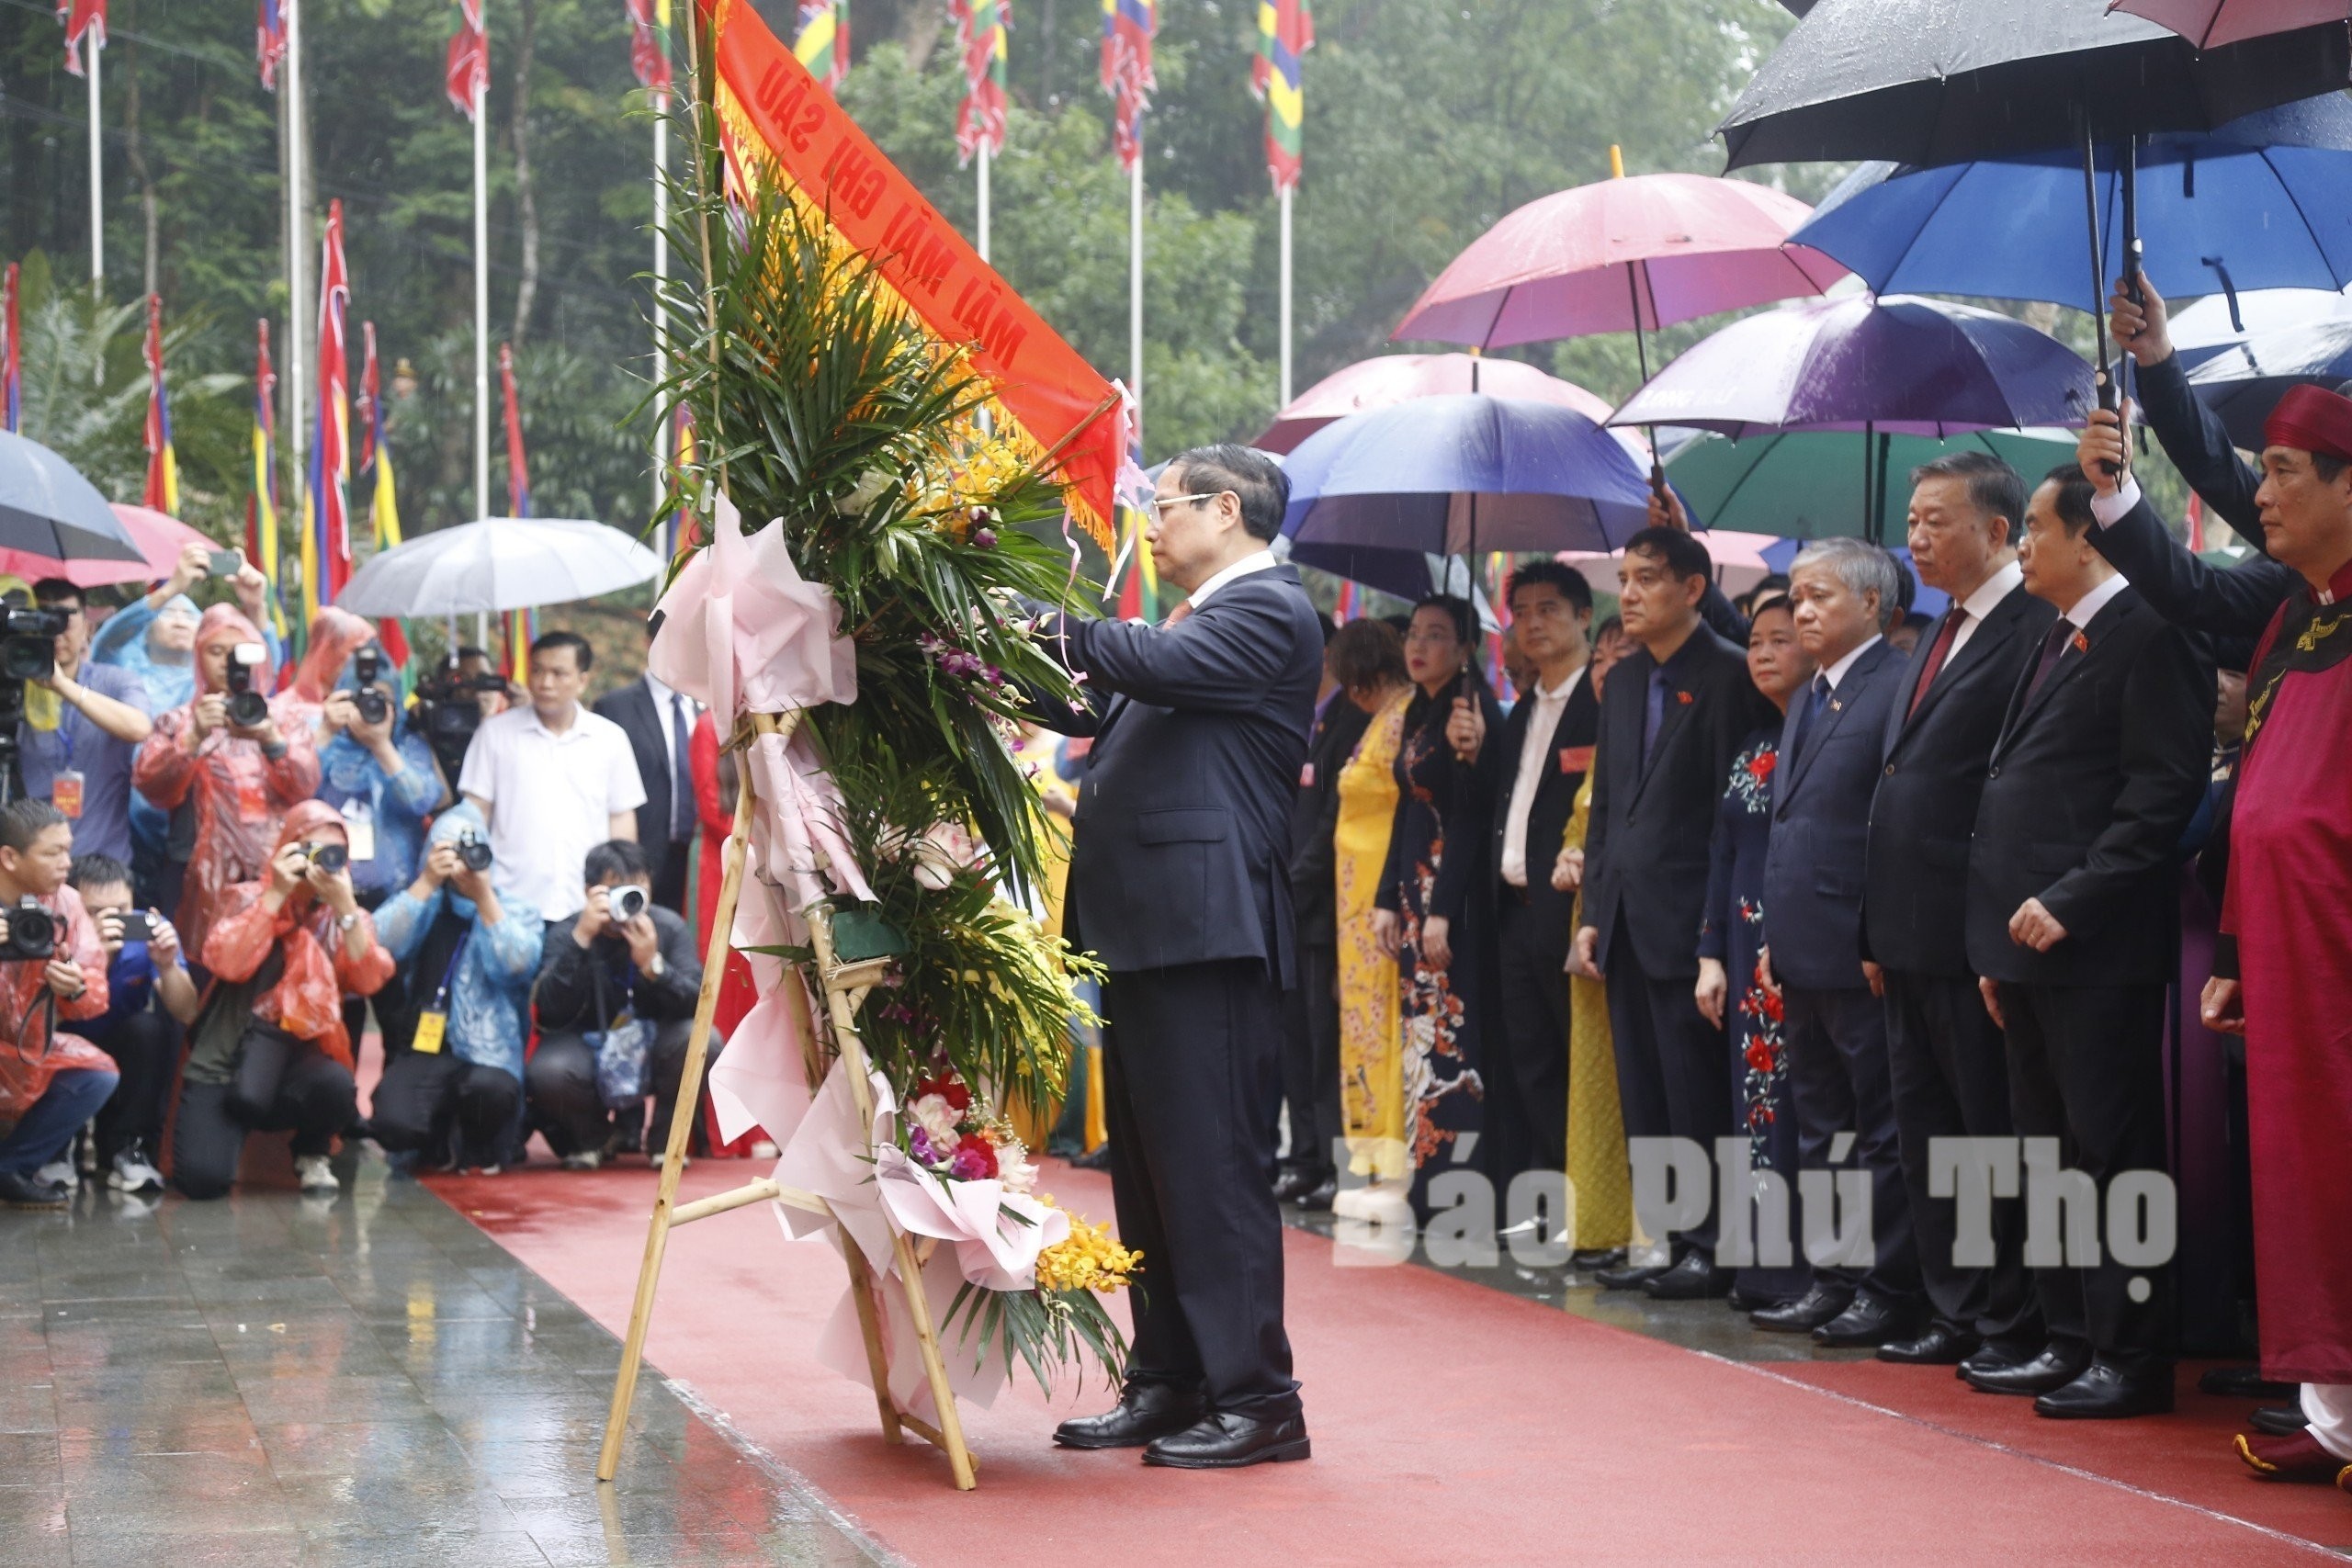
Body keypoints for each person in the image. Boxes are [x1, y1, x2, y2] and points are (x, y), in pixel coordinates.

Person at [1023, 444, 1321, 1469]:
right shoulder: (1199, 624)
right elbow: (1098, 702)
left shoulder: (1269, 608)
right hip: (1152, 928)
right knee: (1152, 1173)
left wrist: (1038, 620)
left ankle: (1259, 1397)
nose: (1148, 526)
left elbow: (1140, 666)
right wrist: (985, 653)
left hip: (1208, 931)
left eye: (1161, 506)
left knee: (1213, 1169)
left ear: (1224, 509)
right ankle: (1169, 1378)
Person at [2083, 383, 2352, 1478]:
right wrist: (2237, 951)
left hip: (2338, 939)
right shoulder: (2296, 606)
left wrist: (2162, 387)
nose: (2263, 494)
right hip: (2289, 943)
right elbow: (2266, 792)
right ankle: (2331, 1405)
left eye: (2285, 473)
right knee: (2303, 1169)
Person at [1966, 464, 2211, 1418]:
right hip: (2026, 947)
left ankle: (2133, 1354)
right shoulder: (2055, 636)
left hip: (2096, 945)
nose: (2020, 543)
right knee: (2048, 1154)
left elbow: (2160, 797)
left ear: (2088, 538)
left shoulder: (2151, 634)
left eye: (2032, 526)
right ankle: (2068, 1334)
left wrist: (2071, 899)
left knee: (2112, 1155)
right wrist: (1999, 941)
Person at [1864, 451, 2058, 1375]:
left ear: (1995, 531)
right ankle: (1950, 1304)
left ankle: (2003, 1314)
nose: (1915, 536)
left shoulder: (2033, 629)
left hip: (1974, 928)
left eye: (1935, 520)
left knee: (1989, 1134)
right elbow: (1896, 780)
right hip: (1902, 931)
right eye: (1910, 519)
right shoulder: (1935, 631)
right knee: (1926, 1132)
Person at [1573, 526, 1776, 1298]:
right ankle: (1664, 1233)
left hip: (1693, 923)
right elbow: (1607, 810)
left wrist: (1713, 939)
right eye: (1623, 578)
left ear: (1693, 589)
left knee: (1696, 1090)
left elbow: (1730, 818)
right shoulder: (1623, 682)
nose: (1628, 593)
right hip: (1624, 919)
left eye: (1648, 578)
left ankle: (1711, 1242)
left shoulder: (1729, 676)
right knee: (1646, 1090)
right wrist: (1594, 909)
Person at [1752, 539, 1922, 1346]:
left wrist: (1876, 930)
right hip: (1799, 948)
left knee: (1878, 1126)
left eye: (1820, 596)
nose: (1802, 610)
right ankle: (1835, 1273)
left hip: (1860, 949)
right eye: (1796, 595)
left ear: (1872, 604)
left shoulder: (1896, 686)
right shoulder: (1810, 696)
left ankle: (1886, 1283)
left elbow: (1890, 829)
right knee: (1822, 1125)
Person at [1445, 560, 1597, 1179]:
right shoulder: (1519, 709)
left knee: (1577, 1056)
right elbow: (1493, 807)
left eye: (1548, 609)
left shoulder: (1604, 698)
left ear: (1584, 615)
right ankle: (1550, 1180)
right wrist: (1476, 752)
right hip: (1512, 912)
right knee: (1528, 1055)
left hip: (1570, 910)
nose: (1532, 623)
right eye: (1522, 611)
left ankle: (1591, 1194)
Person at [175, 800, 394, 1200]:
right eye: (308, 849)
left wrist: (344, 907)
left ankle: (312, 1152)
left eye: (333, 853)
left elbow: (367, 980)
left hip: (295, 1061)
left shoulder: (346, 917)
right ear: (285, 849)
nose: (320, 862)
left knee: (336, 1084)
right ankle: (225, 1134)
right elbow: (227, 962)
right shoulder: (246, 897)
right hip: (224, 1059)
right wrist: (275, 894)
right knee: (202, 1182)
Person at [1694, 597, 1815, 1308]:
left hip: (1800, 946)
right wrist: (1710, 951)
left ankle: (1808, 1269)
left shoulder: (1826, 734)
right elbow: (1722, 849)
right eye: (1756, 640)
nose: (1763, 652)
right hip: (1743, 952)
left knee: (1805, 1107)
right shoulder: (1752, 743)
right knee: (1756, 1105)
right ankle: (1763, 1266)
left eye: (1781, 639)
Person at [1370, 594, 1503, 1214]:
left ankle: (1458, 1190)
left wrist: (1442, 908)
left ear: (1467, 647)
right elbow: (1408, 806)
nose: (1419, 645)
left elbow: (1473, 817)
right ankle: (1425, 1180)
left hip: (1453, 896)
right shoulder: (1423, 710)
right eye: (1414, 633)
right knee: (1422, 1038)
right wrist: (1386, 899)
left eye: (1438, 634)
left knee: (1452, 1036)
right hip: (1415, 894)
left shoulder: (1472, 712)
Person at [132, 604, 320, 965]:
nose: (226, 663)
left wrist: (272, 741)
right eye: (215, 652)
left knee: (266, 972)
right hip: (193, 871)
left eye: (237, 653)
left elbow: (305, 786)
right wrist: (191, 738)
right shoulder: (179, 720)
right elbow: (152, 787)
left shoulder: (282, 718)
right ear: (199, 657)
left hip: (270, 873)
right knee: (199, 969)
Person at [369, 804, 539, 1172]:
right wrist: (427, 882)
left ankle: (479, 1148)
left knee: (489, 1090)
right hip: (427, 1048)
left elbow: (517, 964)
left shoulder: (514, 909)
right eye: (449, 852)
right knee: (392, 1122)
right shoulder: (424, 902)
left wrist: (484, 899)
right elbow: (380, 941)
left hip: (488, 1056)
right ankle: (435, 1140)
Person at [527, 839, 707, 1168]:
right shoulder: (568, 931)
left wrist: (653, 965)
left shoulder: (667, 927)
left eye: (637, 887)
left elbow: (698, 1003)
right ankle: (595, 1138)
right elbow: (549, 1008)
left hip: (654, 1045)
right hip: (586, 1046)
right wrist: (580, 940)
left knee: (701, 1040)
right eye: (615, 889)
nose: (628, 898)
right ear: (589, 891)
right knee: (549, 1070)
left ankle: (666, 1144)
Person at [1274, 617, 1372, 1209]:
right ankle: (1305, 1156)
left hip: (1323, 905)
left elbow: (1336, 822)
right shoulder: (1299, 715)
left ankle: (1338, 1162)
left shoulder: (1353, 718)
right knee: (1295, 1043)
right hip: (1286, 904)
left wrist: (1291, 881)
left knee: (1327, 1044)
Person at [458, 630, 645, 929]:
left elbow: (621, 818)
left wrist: (618, 889)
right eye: (537, 671)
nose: (545, 683)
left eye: (559, 673)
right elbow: (474, 813)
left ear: (583, 680)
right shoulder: (495, 735)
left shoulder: (610, 739)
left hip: (588, 907)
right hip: (509, 905)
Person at [1329, 620, 1413, 1195]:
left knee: (1384, 1016)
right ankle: (1371, 1147)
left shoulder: (1403, 718)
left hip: (1379, 894)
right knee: (1364, 1016)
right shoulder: (1381, 721)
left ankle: (1391, 1145)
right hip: (1354, 899)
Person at [0, 802, 115, 1208]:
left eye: (68, 849)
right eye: (52, 853)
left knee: (96, 1075)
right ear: (10, 857)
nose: (67, 863)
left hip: (25, 1049)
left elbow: (94, 997)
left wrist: (75, 988)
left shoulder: (66, 902)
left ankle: (11, 1170)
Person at [72, 852, 199, 1195]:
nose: (110, 920)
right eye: (94, 912)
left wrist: (168, 965)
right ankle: (58, 1149)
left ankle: (132, 1147)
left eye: (120, 910)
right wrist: (89, 953)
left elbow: (186, 1012)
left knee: (151, 1029)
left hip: (119, 1039)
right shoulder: (57, 930)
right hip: (65, 1037)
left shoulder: (149, 932)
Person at [18, 579, 153, 863]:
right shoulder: (15, 687)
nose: (55, 630)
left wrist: (62, 686)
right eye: (43, 618)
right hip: (30, 866)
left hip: (103, 863)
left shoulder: (115, 681)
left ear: (88, 628)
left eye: (64, 618)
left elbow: (139, 727)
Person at [595, 634, 705, 914]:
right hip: (641, 854)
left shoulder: (704, 704)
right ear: (649, 642)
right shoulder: (614, 707)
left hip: (698, 855)